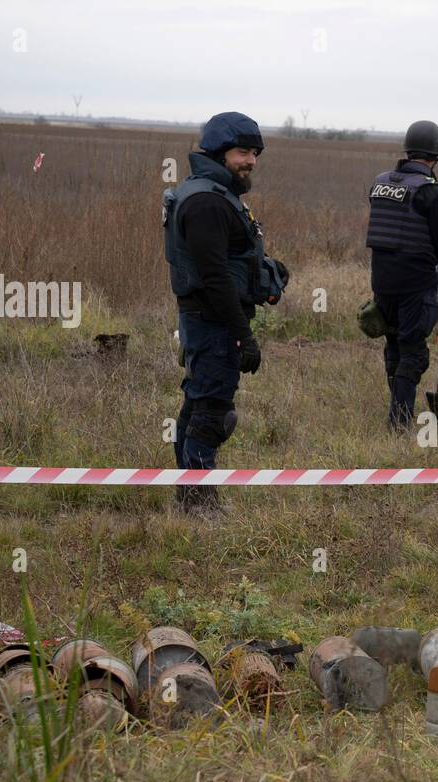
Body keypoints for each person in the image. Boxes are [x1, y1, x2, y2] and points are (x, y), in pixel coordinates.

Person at [162, 111, 288, 511]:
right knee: (213, 412)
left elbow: (224, 264)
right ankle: (200, 506)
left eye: (255, 153)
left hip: (207, 316)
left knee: (198, 402)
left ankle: (188, 496)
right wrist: (242, 334)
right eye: (242, 152)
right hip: (214, 320)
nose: (250, 161)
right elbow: (214, 276)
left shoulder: (208, 193)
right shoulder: (206, 202)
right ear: (218, 152)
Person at [365, 120, 438, 429]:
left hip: (382, 281)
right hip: (415, 283)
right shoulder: (431, 192)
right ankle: (399, 421)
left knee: (393, 343)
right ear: (436, 156)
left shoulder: (379, 183)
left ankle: (398, 408)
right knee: (413, 352)